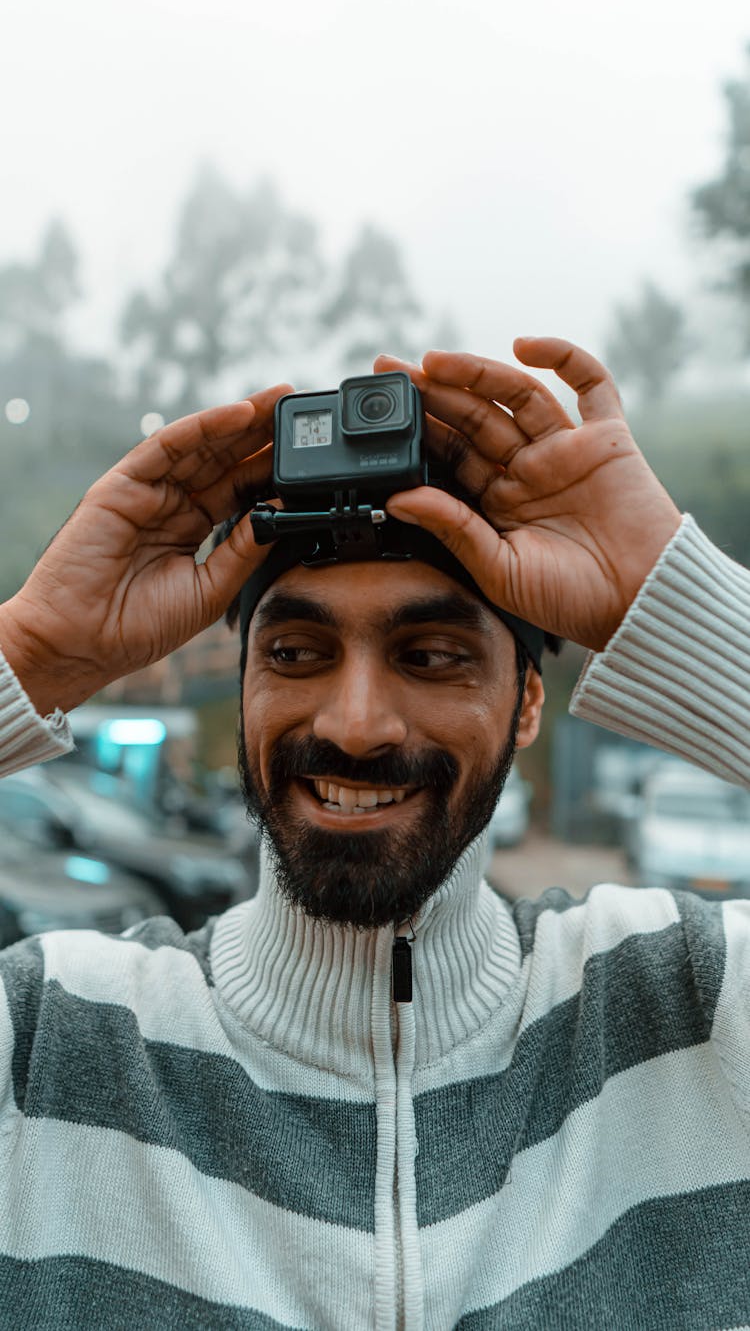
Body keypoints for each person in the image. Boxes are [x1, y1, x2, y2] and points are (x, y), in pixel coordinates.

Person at [0, 338, 747, 1330]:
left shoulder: (700, 1012)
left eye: (430, 655)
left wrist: (675, 599)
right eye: (298, 651)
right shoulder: (44, 1045)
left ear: (529, 704)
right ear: (246, 683)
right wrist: (36, 650)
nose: (354, 724)